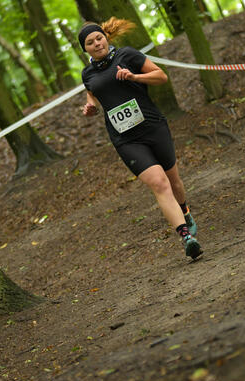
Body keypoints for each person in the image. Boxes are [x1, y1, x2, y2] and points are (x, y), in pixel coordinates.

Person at [79, 18, 202, 260]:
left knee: (173, 180)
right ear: (85, 49)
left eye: (98, 38)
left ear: (105, 37)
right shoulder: (87, 74)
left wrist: (135, 78)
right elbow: (92, 93)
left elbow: (161, 76)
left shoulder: (127, 55)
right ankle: (187, 237)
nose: (96, 43)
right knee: (159, 183)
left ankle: (185, 210)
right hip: (125, 139)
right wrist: (90, 106)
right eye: (90, 42)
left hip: (152, 126)